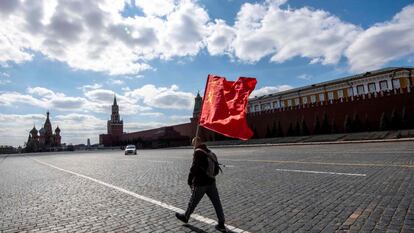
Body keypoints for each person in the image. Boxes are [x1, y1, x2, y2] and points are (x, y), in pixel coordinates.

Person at [176, 137, 226, 232]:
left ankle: (185, 217)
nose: (192, 146)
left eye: (193, 143)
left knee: (193, 202)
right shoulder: (209, 151)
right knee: (217, 203)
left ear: (196, 143)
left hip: (200, 183)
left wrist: (189, 181)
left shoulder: (198, 152)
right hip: (211, 182)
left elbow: (194, 169)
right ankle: (221, 223)